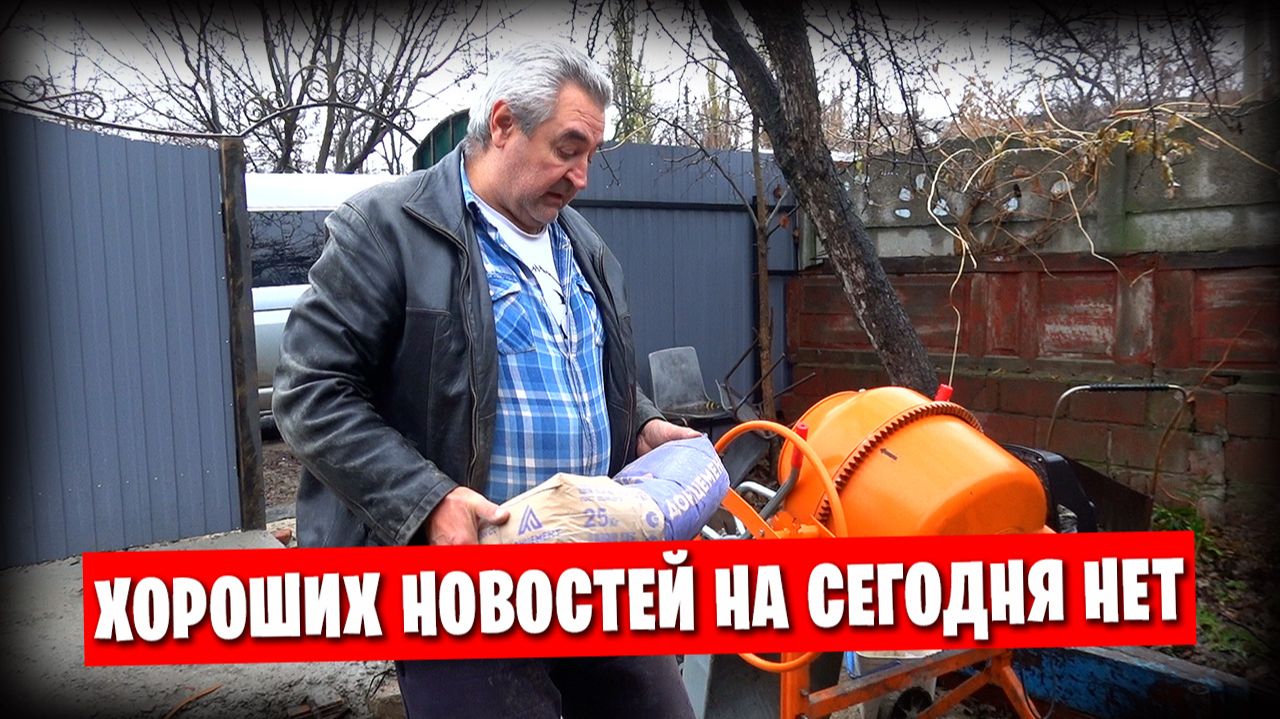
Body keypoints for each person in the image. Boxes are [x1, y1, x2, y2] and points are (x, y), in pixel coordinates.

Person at [272, 41, 699, 719]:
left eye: (591, 154)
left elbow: (587, 365)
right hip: (464, 588)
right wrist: (429, 500)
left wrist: (639, 421)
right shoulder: (386, 228)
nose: (582, 176)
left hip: (592, 571)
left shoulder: (584, 246)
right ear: (503, 124)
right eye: (568, 149)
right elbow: (311, 394)